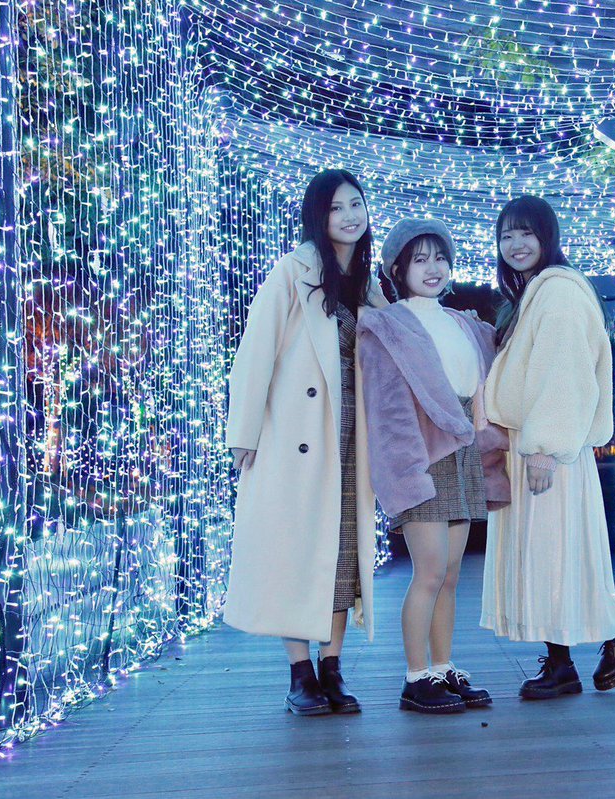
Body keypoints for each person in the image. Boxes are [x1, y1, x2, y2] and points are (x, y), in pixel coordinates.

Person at [223, 169, 387, 715]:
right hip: (295, 435)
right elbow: (256, 352)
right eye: (336, 207)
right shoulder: (292, 271)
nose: (349, 216)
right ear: (318, 216)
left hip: (351, 439)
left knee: (342, 554)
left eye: (356, 204)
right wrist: (243, 433)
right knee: (294, 552)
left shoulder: (367, 283)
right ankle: (300, 674)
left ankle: (332, 667)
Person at [480, 195, 615, 699]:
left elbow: (565, 373)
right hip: (533, 445)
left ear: (547, 237)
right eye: (506, 235)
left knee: (555, 553)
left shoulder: (558, 291)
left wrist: (545, 447)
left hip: (548, 449)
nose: (515, 244)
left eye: (526, 233)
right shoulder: (536, 293)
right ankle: (560, 664)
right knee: (545, 555)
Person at [358, 219, 508, 714]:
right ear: (397, 269)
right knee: (428, 573)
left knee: (449, 575)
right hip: (422, 458)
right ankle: (415, 676)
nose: (433, 268)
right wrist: (406, 474)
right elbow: (387, 411)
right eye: (419, 259)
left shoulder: (465, 323)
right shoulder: (387, 326)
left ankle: (442, 668)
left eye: (440, 258)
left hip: (463, 455)